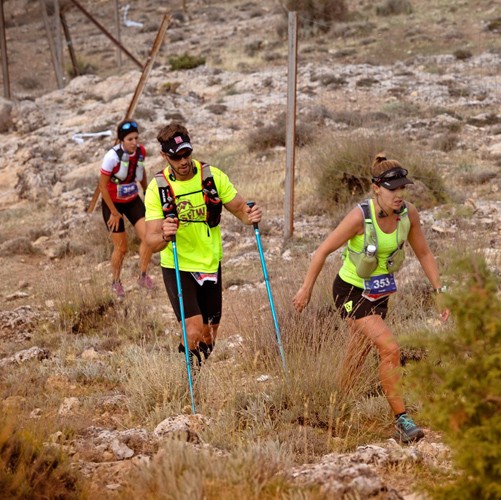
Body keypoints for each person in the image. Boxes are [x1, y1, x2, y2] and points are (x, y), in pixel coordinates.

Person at [292, 154, 449, 444]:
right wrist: (306, 289)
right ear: (376, 187)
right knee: (389, 348)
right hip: (350, 291)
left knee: (358, 351)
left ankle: (336, 410)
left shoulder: (408, 214)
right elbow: (322, 251)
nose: (400, 195)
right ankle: (402, 420)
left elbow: (424, 253)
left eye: (403, 188)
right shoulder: (359, 217)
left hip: (380, 292)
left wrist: (440, 291)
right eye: (393, 190)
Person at [143, 123, 262, 365]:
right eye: (176, 157)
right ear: (164, 156)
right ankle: (185, 381)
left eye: (187, 153)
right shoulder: (158, 188)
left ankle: (196, 370)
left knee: (209, 334)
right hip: (178, 265)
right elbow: (151, 241)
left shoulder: (212, 176)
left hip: (209, 262)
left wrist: (251, 215)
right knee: (193, 331)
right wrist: (165, 235)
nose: (183, 161)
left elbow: (240, 209)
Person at [97, 120, 154, 298]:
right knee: (121, 248)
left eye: (136, 138)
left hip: (132, 199)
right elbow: (102, 186)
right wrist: (114, 213)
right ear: (122, 140)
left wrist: (147, 191)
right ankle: (116, 282)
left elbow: (141, 173)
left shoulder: (141, 152)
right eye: (130, 139)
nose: (134, 142)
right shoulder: (111, 157)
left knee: (148, 238)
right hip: (112, 203)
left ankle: (143, 276)